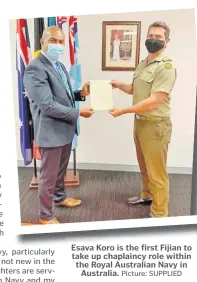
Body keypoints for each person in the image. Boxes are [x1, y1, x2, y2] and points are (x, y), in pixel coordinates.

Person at [24, 26, 93, 224]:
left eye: (61, 42)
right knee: (48, 176)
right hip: (50, 131)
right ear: (42, 42)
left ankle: (60, 197)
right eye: (53, 41)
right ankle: (46, 216)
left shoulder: (59, 66)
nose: (58, 45)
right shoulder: (35, 68)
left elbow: (62, 97)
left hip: (64, 129)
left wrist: (81, 94)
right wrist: (78, 113)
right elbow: (47, 106)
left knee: (60, 171)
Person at [109, 21, 177, 218]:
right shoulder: (143, 63)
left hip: (155, 125)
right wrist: (118, 85)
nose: (153, 40)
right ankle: (147, 196)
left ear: (167, 41)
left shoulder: (166, 66)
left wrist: (124, 110)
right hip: (140, 122)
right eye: (151, 36)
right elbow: (134, 89)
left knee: (157, 173)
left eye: (158, 37)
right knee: (144, 166)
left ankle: (159, 214)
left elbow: (154, 101)